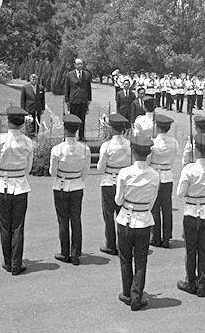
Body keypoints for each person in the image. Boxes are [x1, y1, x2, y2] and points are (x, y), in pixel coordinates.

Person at [115, 137, 160, 311]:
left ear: (133, 152)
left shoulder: (125, 173)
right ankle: (136, 296)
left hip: (125, 218)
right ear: (148, 154)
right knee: (141, 261)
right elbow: (152, 202)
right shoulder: (154, 175)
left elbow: (118, 201)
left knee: (125, 259)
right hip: (143, 220)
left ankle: (127, 293)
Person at [0, 106, 33, 276]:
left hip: (2, 185)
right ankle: (16, 263)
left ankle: (8, 262)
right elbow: (28, 167)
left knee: (5, 227)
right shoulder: (28, 142)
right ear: (22, 124)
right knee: (18, 227)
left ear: (8, 121)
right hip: (20, 186)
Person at [176, 134, 205, 297]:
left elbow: (180, 193)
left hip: (191, 211)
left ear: (197, 150)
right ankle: (202, 283)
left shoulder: (189, 169)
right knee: (204, 249)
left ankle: (190, 282)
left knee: (191, 249)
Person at [50, 115, 91, 265]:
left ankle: (64, 252)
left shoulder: (57, 149)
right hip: (76, 184)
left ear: (65, 130)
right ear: (77, 130)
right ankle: (76, 253)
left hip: (61, 184)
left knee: (63, 220)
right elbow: (86, 171)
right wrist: (77, 179)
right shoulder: (84, 149)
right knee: (76, 219)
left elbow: (52, 172)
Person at [97, 113, 131, 256]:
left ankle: (110, 244)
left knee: (109, 215)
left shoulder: (107, 145)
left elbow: (100, 167)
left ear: (112, 129)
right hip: (124, 181)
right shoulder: (129, 145)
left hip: (109, 181)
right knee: (123, 214)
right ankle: (124, 243)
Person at [149, 114, 178, 248]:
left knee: (155, 208)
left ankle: (156, 237)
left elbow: (148, 160)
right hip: (167, 175)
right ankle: (167, 237)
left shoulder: (153, 143)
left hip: (155, 174)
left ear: (157, 126)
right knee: (167, 208)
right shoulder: (174, 142)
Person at [63, 58, 92, 141]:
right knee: (73, 120)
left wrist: (89, 99)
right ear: (75, 65)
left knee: (82, 119)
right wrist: (67, 100)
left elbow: (89, 88)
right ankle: (72, 136)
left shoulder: (87, 74)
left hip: (83, 100)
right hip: (73, 101)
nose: (80, 65)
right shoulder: (69, 75)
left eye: (81, 64)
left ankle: (81, 136)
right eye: (78, 64)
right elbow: (67, 88)